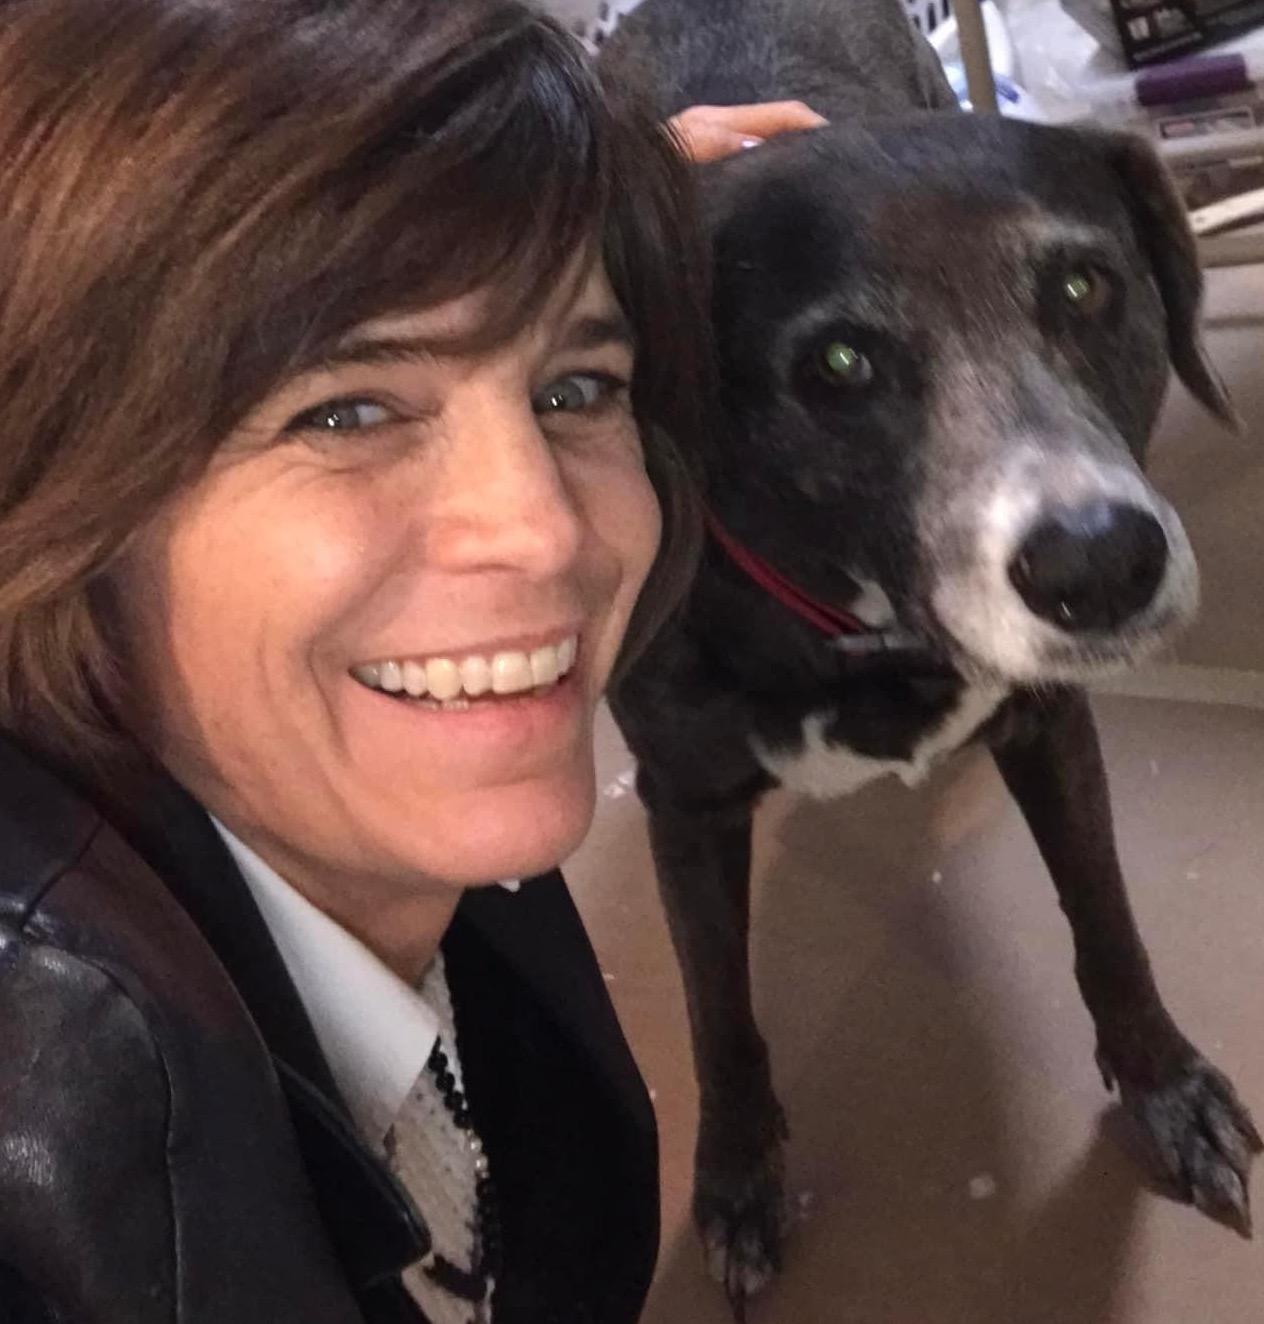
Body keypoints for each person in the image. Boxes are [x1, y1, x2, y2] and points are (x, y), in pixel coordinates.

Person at [0, 2, 820, 1322]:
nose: (547, 529)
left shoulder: (382, 831)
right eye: (347, 409)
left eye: (575, 389)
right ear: (56, 495)